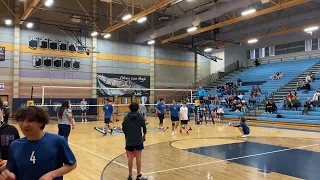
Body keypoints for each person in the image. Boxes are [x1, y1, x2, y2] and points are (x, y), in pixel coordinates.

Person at [0, 106, 77, 180]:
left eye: (30, 120)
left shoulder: (57, 141)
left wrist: (52, 175)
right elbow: (10, 170)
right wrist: (7, 175)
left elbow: (72, 164)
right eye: (21, 120)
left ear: (41, 122)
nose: (25, 125)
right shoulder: (15, 145)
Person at [122, 102, 147, 180]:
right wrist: (144, 135)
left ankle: (130, 175)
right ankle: (138, 175)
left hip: (129, 140)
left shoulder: (126, 118)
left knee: (130, 157)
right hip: (138, 139)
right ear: (137, 108)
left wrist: (127, 135)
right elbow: (144, 127)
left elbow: (123, 128)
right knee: (138, 157)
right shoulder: (140, 117)